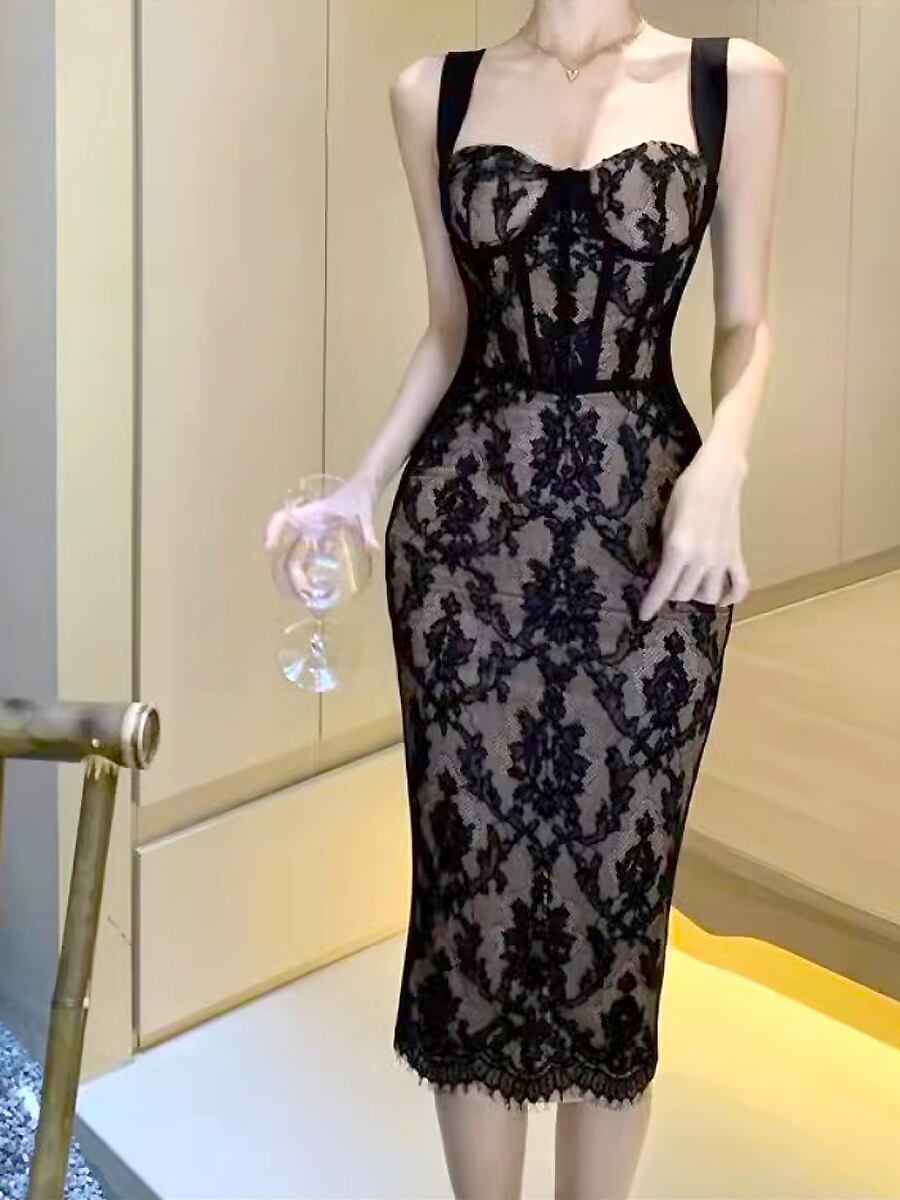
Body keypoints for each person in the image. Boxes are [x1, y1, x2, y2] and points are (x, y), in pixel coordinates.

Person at [265, 5, 787, 1197]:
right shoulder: (432, 92)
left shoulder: (731, 82)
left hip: (650, 546)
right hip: (466, 555)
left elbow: (746, 322)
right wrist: (360, 485)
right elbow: (450, 329)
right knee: (471, 906)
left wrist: (727, 461)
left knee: (617, 910)